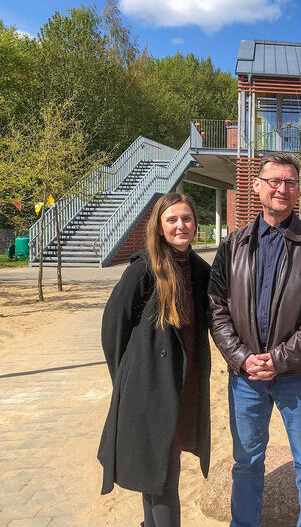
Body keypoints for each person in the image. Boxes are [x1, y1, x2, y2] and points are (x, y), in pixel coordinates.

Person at [208, 153, 301, 527]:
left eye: (291, 182)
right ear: (257, 186)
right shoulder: (233, 245)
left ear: (299, 190)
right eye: (275, 181)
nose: (282, 189)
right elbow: (216, 308)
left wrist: (278, 359)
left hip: (298, 375)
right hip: (245, 376)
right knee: (247, 462)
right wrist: (242, 358)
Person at [98, 192, 211, 527]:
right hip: (149, 387)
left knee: (158, 470)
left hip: (184, 384)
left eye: (186, 218)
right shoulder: (144, 270)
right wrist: (130, 378)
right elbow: (113, 327)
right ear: (160, 227)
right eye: (172, 220)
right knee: (162, 474)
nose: (180, 226)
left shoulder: (200, 271)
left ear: (195, 224)